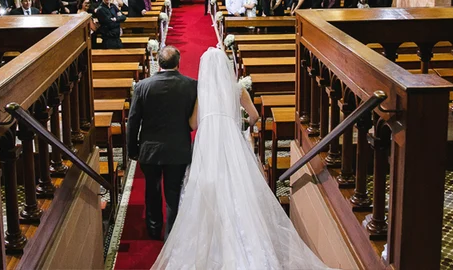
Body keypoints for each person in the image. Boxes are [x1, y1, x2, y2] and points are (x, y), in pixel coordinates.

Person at [151, 47, 330, 270]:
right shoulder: (237, 90)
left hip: (208, 142)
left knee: (208, 185)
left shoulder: (202, 93)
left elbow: (192, 124)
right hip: (231, 141)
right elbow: (254, 116)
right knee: (237, 186)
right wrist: (241, 125)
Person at [128, 46, 198, 241]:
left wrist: (132, 149)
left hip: (149, 149)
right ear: (179, 62)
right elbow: (194, 120)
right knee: (173, 191)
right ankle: (172, 231)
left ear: (158, 63)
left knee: (152, 189)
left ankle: (153, 228)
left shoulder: (143, 86)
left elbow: (133, 121)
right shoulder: (192, 85)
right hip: (178, 148)